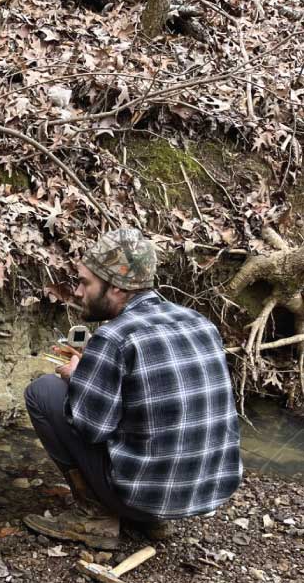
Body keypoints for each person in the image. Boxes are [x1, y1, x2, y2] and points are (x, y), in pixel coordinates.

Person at [22, 228, 243, 549]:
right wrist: (97, 373)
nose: (78, 292)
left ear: (116, 288)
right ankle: (153, 522)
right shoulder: (199, 321)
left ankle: (94, 516)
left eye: (85, 282)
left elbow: (91, 429)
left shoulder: (114, 337)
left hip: (144, 496)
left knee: (43, 391)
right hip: (211, 491)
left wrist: (78, 377)